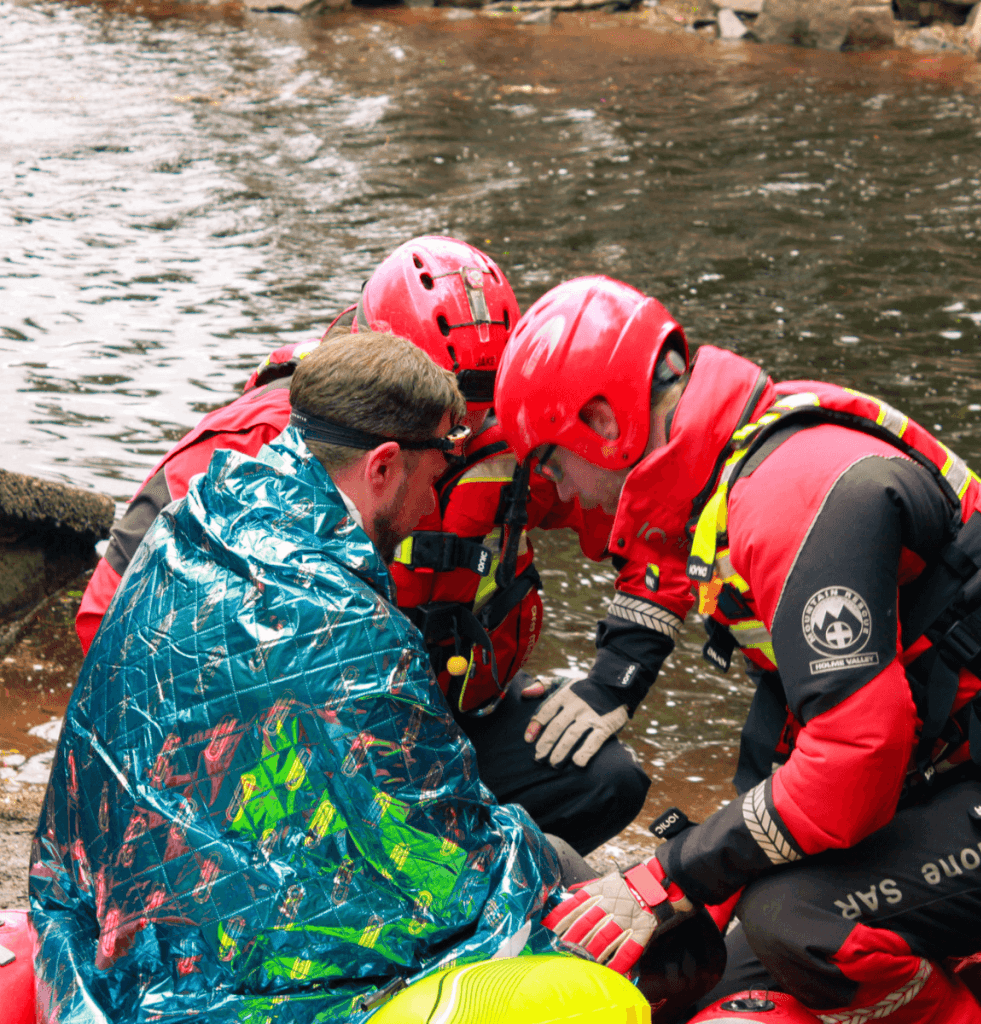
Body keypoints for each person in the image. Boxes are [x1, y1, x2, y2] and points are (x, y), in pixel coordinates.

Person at [31, 332, 692, 1023]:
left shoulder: (191, 522)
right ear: (382, 466)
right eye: (435, 480)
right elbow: (452, 862)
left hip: (97, 928)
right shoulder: (348, 625)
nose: (435, 507)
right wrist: (573, 871)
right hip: (218, 977)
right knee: (587, 906)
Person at [493, 274, 981, 1024]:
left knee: (792, 923)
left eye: (552, 464)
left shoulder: (786, 497)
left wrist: (670, 875)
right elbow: (792, 741)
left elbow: (855, 762)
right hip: (978, 771)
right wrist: (697, 903)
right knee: (720, 967)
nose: (568, 495)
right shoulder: (745, 472)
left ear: (602, 423)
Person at [75, 237, 659, 856]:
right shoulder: (250, 445)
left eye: (479, 415)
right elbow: (109, 628)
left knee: (607, 782)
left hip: (438, 711)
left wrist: (613, 678)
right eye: (444, 419)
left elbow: (650, 515)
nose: (462, 438)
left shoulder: (514, 443)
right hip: (291, 740)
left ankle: (447, 885)